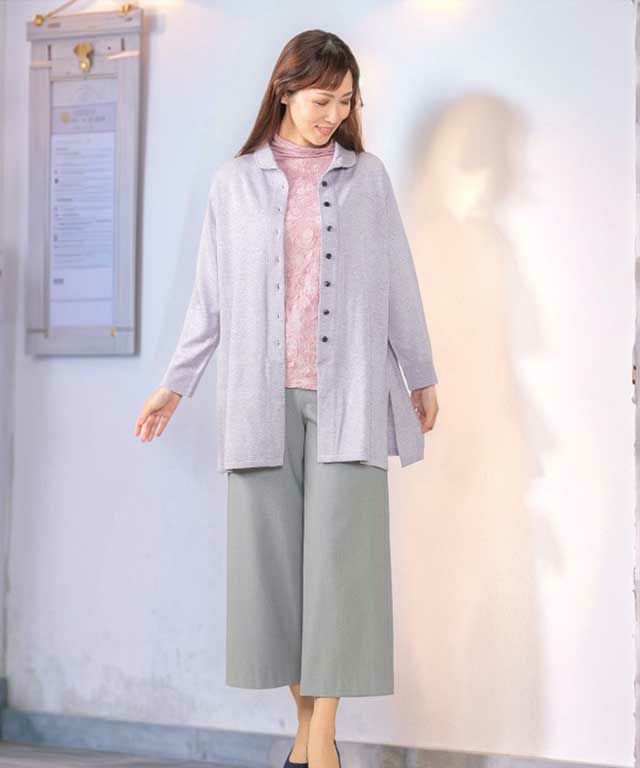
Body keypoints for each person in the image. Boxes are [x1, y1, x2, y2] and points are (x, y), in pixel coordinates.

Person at [134, 29, 439, 768]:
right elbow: (208, 301)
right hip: (257, 403)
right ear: (285, 91)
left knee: (343, 576)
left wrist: (420, 372)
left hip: (350, 398)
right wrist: (175, 384)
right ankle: (308, 741)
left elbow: (398, 281)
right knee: (276, 580)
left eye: (346, 102)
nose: (333, 115)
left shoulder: (368, 179)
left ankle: (318, 744)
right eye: (321, 100)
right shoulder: (233, 183)